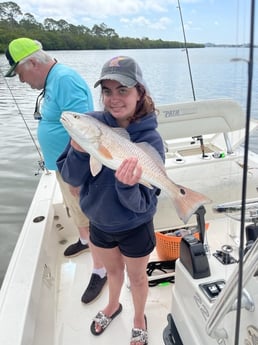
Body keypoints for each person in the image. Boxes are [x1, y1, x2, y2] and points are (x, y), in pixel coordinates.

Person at [57, 56, 165, 345]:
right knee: (114, 272)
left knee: (138, 277)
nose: (114, 99)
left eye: (123, 90)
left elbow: (144, 203)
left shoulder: (150, 140)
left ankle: (139, 317)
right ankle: (113, 305)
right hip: (100, 223)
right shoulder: (89, 124)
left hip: (135, 225)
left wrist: (128, 187)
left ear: (140, 92)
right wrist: (79, 149)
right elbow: (71, 178)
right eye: (107, 90)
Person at [4, 37, 107, 304]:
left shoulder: (64, 80)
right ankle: (84, 242)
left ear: (34, 63)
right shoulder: (53, 81)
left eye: (20, 73)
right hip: (62, 166)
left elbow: (86, 131)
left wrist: (77, 173)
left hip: (75, 167)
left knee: (87, 214)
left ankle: (101, 269)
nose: (21, 81)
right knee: (75, 211)